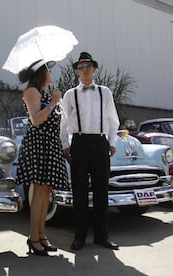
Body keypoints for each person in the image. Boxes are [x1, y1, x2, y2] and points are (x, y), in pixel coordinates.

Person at [60, 52, 120, 251]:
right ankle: (79, 237)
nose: (84, 69)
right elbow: (64, 123)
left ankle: (102, 236)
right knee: (79, 191)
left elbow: (113, 119)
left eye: (87, 65)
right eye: (80, 66)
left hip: (100, 144)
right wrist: (65, 146)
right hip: (79, 143)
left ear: (94, 69)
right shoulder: (70, 94)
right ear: (77, 71)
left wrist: (112, 142)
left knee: (102, 189)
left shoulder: (105, 92)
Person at [16, 59, 69, 256]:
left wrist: (56, 102)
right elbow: (36, 120)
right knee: (39, 193)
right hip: (39, 145)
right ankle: (33, 237)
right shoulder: (32, 92)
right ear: (40, 73)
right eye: (48, 69)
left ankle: (42, 235)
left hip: (51, 144)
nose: (51, 72)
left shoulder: (47, 93)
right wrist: (54, 103)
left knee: (46, 192)